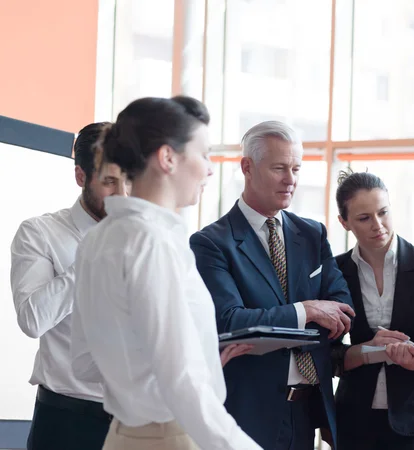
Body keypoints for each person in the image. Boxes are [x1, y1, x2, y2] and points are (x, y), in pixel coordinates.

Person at [70, 96, 261, 450]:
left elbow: (83, 363)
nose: (210, 169)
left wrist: (182, 356)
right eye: (203, 154)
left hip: (122, 437)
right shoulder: (153, 242)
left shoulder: (97, 239)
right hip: (171, 437)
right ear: (168, 157)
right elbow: (182, 382)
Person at [190, 120, 355, 450]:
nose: (291, 180)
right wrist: (306, 311)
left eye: (296, 168)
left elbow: (341, 307)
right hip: (248, 413)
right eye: (280, 168)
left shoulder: (312, 235)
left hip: (308, 411)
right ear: (247, 167)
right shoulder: (211, 243)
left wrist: (272, 323)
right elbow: (230, 322)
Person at [10, 122, 128, 450]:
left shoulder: (145, 240)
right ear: (81, 177)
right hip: (68, 422)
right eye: (110, 181)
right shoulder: (39, 233)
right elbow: (32, 319)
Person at [331, 170, 414, 450]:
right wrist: (367, 351)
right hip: (353, 419)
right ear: (344, 222)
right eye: (364, 218)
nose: (378, 225)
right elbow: (326, 353)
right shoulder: (335, 271)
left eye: (383, 212)